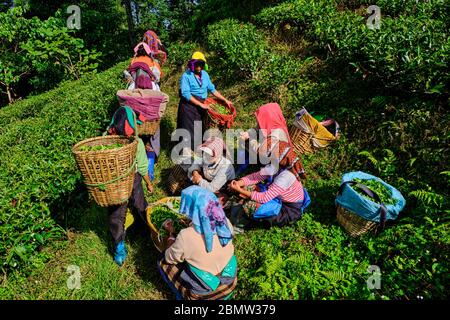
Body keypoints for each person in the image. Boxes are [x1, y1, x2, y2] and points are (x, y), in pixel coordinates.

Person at [158, 186, 237, 300]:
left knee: (162, 261)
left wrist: (170, 235)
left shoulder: (186, 236)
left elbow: (169, 258)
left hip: (205, 294)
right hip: (229, 284)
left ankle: (181, 296)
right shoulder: (225, 223)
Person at [106, 106, 154, 266]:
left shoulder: (105, 139)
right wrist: (149, 183)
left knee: (116, 214)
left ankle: (119, 249)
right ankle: (149, 231)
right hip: (132, 180)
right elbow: (142, 167)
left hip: (112, 184)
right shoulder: (136, 143)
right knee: (140, 204)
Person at [229, 137, 310, 228]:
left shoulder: (286, 177)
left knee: (251, 205)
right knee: (247, 187)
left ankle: (241, 224)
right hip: (278, 197)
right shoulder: (275, 166)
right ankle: (234, 207)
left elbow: (264, 198)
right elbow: (256, 176)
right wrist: (239, 183)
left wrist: (240, 190)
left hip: (288, 209)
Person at [176, 52, 232, 151]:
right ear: (192, 64)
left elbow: (212, 89)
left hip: (201, 107)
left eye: (201, 64)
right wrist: (201, 104)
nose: (199, 67)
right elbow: (186, 94)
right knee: (188, 132)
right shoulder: (186, 76)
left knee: (199, 130)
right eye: (197, 64)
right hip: (188, 107)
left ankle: (199, 153)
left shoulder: (205, 75)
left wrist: (225, 100)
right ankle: (187, 156)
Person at [237, 103, 291, 175]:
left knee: (247, 147)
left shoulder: (277, 134)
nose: (258, 123)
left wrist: (250, 140)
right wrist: (248, 133)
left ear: (267, 118)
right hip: (263, 153)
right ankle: (240, 168)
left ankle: (242, 172)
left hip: (271, 163)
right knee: (245, 150)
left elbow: (263, 152)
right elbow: (257, 129)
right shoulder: (269, 123)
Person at [187, 136, 235, 203]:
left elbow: (212, 188)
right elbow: (196, 163)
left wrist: (199, 180)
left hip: (221, 188)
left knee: (212, 202)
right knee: (189, 169)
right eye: (205, 153)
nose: (206, 156)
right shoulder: (206, 157)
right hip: (207, 181)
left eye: (209, 155)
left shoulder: (225, 166)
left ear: (218, 155)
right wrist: (195, 173)